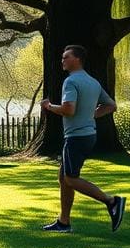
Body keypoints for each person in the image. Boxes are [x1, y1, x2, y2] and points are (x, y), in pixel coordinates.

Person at [40, 44, 125, 234]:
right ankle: (64, 222)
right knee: (63, 178)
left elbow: (68, 109)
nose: (62, 60)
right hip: (87, 134)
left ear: (76, 59)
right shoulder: (93, 82)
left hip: (76, 136)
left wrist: (49, 106)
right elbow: (111, 106)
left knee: (70, 179)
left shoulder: (71, 81)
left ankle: (112, 201)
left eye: (66, 57)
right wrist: (90, 115)